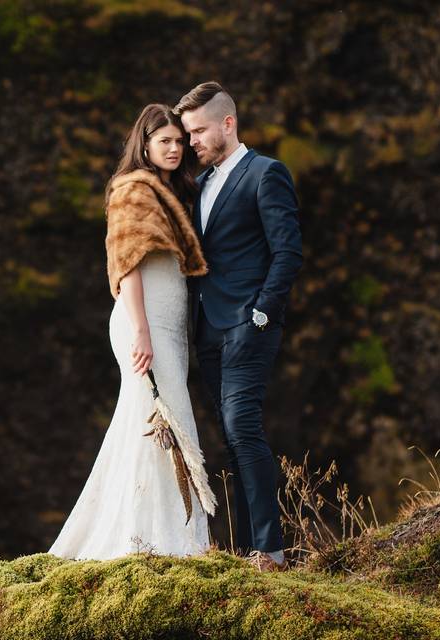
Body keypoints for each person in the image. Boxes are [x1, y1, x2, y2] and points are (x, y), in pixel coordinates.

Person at [48, 104, 213, 559]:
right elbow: (128, 266)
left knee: (149, 423)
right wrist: (141, 331)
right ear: (144, 144)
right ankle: (163, 544)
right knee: (162, 421)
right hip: (144, 322)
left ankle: (151, 536)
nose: (176, 148)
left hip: (167, 325)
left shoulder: (168, 191)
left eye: (180, 141)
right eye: (165, 141)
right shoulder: (132, 191)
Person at [173, 82, 303, 571]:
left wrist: (263, 311)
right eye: (187, 134)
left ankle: (271, 550)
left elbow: (288, 251)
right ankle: (251, 547)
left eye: (199, 130)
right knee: (231, 437)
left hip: (250, 324)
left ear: (228, 123)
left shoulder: (266, 174)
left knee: (242, 427)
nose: (192, 142)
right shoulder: (202, 184)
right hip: (208, 329)